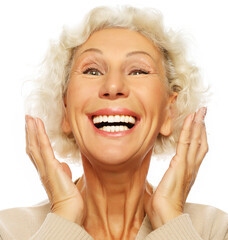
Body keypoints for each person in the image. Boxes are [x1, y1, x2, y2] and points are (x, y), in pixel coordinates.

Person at [0, 5, 227, 240]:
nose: (113, 87)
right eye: (92, 71)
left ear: (169, 111)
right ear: (65, 109)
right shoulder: (8, 230)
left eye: (138, 71)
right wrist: (63, 218)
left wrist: (171, 220)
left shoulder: (216, 230)